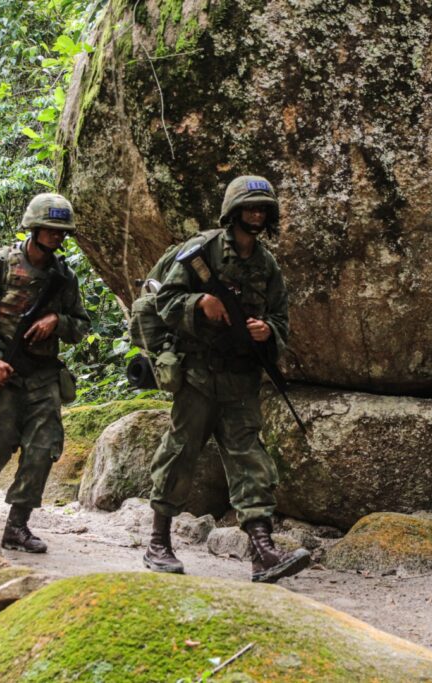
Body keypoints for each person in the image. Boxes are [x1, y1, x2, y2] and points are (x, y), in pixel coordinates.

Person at [142, 175, 311, 584]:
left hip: (240, 379)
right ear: (233, 212)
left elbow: (281, 318)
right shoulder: (201, 252)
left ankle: (263, 551)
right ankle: (158, 542)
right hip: (198, 375)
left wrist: (268, 331)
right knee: (180, 452)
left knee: (250, 460)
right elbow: (162, 299)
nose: (256, 215)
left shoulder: (267, 265)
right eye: (249, 208)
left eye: (262, 209)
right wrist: (200, 301)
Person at [0, 193, 89, 553]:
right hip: (3, 373)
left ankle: (17, 526)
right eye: (50, 229)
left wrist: (57, 321)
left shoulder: (64, 277)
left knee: (43, 449)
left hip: (43, 374)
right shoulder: (1, 265)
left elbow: (81, 325)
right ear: (34, 228)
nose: (57, 235)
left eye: (62, 231)